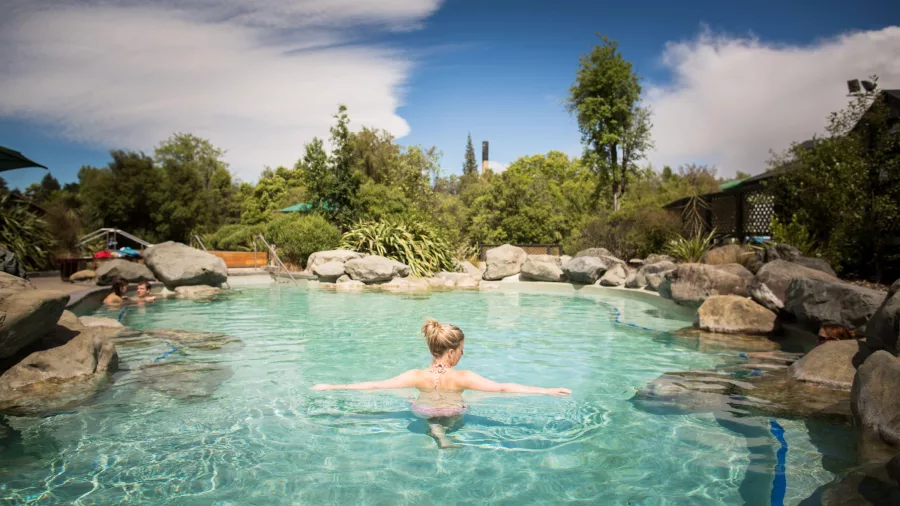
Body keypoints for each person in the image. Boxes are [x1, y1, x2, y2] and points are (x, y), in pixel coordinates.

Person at [310, 319, 571, 448]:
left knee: (417, 404)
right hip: (452, 412)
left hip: (421, 412)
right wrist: (546, 390)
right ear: (451, 352)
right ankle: (442, 431)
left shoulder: (416, 375)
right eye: (461, 350)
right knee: (460, 409)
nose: (463, 354)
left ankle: (435, 430)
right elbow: (503, 387)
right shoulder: (462, 377)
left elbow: (375, 385)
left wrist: (333, 387)